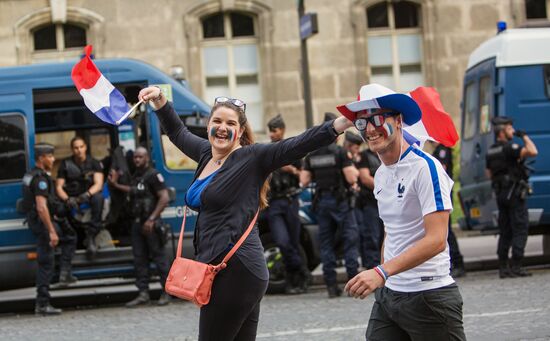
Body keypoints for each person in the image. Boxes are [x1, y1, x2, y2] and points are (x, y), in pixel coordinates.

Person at [138, 86, 353, 341]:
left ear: (239, 132)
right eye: (216, 121)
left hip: (237, 269)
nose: (221, 127)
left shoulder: (252, 158)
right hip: (224, 268)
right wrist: (160, 101)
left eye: (230, 123)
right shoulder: (206, 154)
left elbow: (298, 144)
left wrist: (343, 122)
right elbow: (176, 132)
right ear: (208, 126)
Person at [341, 84, 465, 340]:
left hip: (429, 296)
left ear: (398, 121)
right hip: (390, 295)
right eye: (363, 123)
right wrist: (385, 276)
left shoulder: (426, 168)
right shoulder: (382, 173)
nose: (370, 129)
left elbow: (436, 240)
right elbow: (391, 229)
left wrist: (380, 272)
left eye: (377, 118)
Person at [301, 113, 360, 298]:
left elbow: (303, 181)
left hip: (322, 203)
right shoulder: (340, 152)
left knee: (326, 245)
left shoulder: (312, 155)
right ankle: (352, 283)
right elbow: (351, 178)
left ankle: (331, 286)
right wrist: (355, 174)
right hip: (341, 201)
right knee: (350, 240)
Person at [108, 147, 171, 307]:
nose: (137, 160)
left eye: (140, 157)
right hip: (137, 223)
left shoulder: (153, 175)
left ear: (147, 158)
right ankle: (143, 293)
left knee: (160, 259)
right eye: (135, 157)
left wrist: (151, 219)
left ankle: (167, 292)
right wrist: (115, 185)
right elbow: (133, 191)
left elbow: (164, 198)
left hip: (151, 224)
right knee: (139, 259)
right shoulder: (137, 176)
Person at [21, 143, 77, 315]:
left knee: (70, 236)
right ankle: (43, 304)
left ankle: (64, 274)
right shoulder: (41, 180)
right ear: (41, 158)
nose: (53, 159)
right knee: (46, 263)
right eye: (50, 156)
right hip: (43, 225)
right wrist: (52, 230)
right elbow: (41, 207)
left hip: (38, 223)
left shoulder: (30, 175)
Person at [486, 116, 538, 278]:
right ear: (502, 132)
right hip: (514, 193)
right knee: (520, 228)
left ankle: (503, 268)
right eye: (509, 129)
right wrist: (524, 136)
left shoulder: (491, 151)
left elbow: (489, 174)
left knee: (505, 230)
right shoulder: (510, 148)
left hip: (501, 194)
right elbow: (533, 151)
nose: (512, 131)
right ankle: (516, 266)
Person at [265, 114, 309, 294]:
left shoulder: (293, 150)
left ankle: (295, 279)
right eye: (270, 131)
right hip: (274, 203)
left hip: (291, 201)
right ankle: (302, 271)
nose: (271, 134)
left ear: (282, 130)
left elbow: (304, 178)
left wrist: (289, 168)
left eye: (274, 130)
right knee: (282, 242)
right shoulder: (268, 151)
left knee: (293, 241)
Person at [55, 136, 104, 258]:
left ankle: (91, 236)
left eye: (81, 147)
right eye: (76, 148)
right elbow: (58, 187)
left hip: (88, 195)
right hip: (71, 197)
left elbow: (98, 184)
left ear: (85, 147)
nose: (79, 150)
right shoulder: (65, 164)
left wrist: (87, 194)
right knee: (59, 209)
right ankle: (64, 239)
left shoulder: (94, 163)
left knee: (99, 199)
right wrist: (67, 199)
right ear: (72, 149)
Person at [344, 131, 384, 270]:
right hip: (370, 203)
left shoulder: (382, 155)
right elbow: (365, 178)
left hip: (382, 203)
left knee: (383, 237)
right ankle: (372, 266)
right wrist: (386, 189)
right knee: (372, 236)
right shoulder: (365, 156)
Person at [431, 142, 466, 278]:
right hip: (442, 194)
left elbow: (442, 169)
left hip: (443, 194)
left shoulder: (443, 149)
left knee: (446, 232)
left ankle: (457, 262)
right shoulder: (439, 150)